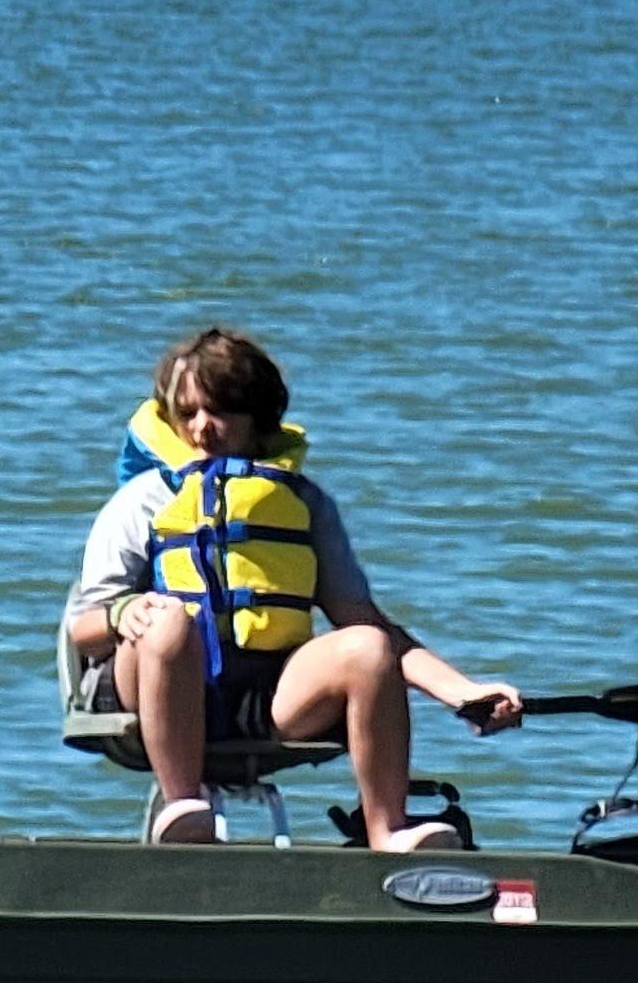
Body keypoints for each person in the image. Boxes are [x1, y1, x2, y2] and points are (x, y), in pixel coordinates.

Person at [60, 327, 518, 847]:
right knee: (169, 622)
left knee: (368, 649)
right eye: (187, 413)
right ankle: (185, 809)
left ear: (258, 417)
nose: (203, 428)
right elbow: (84, 630)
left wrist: (463, 692)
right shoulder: (142, 499)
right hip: (152, 685)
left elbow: (367, 623)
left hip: (268, 698)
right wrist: (127, 614)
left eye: (221, 411)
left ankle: (388, 830)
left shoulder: (304, 504)